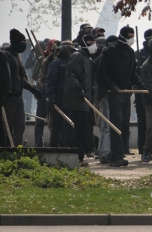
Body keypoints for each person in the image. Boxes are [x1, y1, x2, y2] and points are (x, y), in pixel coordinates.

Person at [97, 26, 143, 167]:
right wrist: (111, 86)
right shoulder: (110, 51)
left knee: (124, 124)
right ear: (123, 36)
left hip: (126, 92)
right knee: (115, 125)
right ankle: (116, 156)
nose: (132, 38)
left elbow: (132, 73)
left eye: (133, 35)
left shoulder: (130, 52)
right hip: (114, 93)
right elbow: (101, 72)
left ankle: (119, 152)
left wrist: (141, 83)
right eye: (130, 35)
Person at [1, 29, 42, 146]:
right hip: (8, 98)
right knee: (7, 127)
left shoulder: (17, 56)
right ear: (15, 42)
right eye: (22, 41)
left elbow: (22, 78)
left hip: (18, 97)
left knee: (20, 126)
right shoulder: (6, 56)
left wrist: (32, 89)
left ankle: (16, 149)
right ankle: (5, 150)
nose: (24, 44)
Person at [63, 34, 97, 167]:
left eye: (94, 42)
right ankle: (78, 158)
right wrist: (79, 89)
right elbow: (71, 75)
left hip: (85, 100)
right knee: (80, 130)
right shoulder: (77, 56)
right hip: (77, 100)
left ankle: (80, 157)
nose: (93, 44)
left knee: (84, 130)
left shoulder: (87, 58)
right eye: (90, 42)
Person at [46, 43, 73, 147]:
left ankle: (66, 145)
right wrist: (51, 97)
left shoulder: (71, 62)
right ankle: (53, 146)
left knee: (69, 124)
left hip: (69, 99)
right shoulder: (56, 63)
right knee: (56, 124)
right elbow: (50, 80)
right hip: (58, 99)